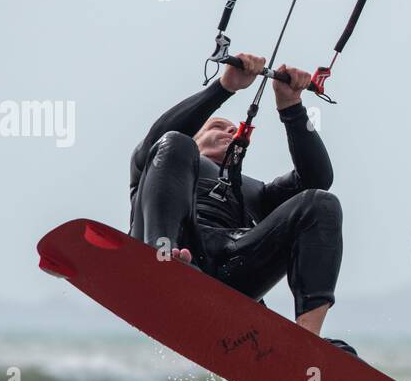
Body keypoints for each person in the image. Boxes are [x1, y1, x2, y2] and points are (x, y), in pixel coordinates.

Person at [128, 54, 355, 355]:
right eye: (218, 127)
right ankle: (163, 263)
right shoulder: (165, 159)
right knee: (174, 141)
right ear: (198, 136)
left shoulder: (258, 192)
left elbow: (317, 178)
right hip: (174, 250)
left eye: (233, 130)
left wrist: (291, 108)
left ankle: (307, 341)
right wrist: (225, 87)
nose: (230, 132)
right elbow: (161, 138)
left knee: (321, 202)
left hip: (232, 268)